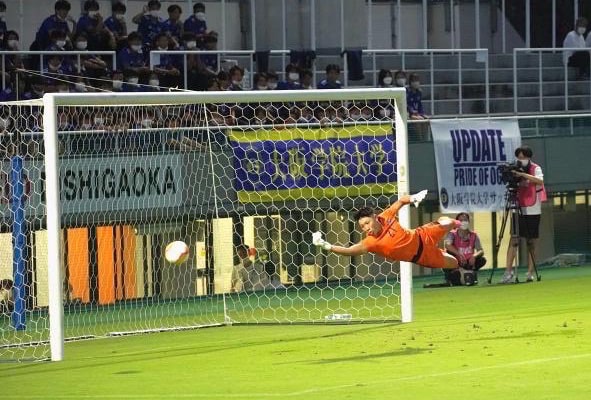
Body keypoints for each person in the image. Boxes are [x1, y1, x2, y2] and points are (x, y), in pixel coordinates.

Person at [313, 191, 460, 269]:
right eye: (362, 226)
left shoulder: (386, 215)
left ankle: (459, 222)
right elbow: (349, 251)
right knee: (455, 263)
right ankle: (441, 251)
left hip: (422, 235)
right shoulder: (370, 243)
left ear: (375, 217)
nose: (366, 228)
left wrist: (413, 198)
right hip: (422, 256)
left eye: (367, 223)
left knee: (448, 223)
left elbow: (401, 201)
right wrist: (327, 246)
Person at [502, 145, 546, 283]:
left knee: (531, 241)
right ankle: (508, 272)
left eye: (523, 157)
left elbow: (539, 181)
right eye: (519, 157)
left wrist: (522, 175)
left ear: (529, 157)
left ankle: (530, 273)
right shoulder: (514, 168)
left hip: (533, 209)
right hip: (517, 207)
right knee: (514, 239)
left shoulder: (536, 168)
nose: (521, 160)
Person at [444, 212, 486, 286]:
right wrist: (459, 254)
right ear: (457, 223)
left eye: (465, 220)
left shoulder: (474, 235)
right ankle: (452, 277)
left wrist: (474, 256)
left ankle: (471, 273)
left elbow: (481, 250)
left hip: (469, 262)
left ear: (468, 221)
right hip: (456, 262)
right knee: (445, 258)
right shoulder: (452, 234)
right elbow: (447, 245)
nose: (463, 222)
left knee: (482, 260)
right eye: (461, 220)